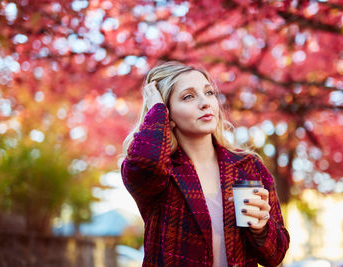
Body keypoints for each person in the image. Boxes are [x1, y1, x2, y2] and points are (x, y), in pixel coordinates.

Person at [121, 61, 289, 267]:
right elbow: (145, 163)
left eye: (209, 93)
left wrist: (261, 227)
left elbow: (276, 256)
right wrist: (155, 109)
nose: (205, 103)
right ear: (167, 113)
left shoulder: (248, 167)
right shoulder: (161, 172)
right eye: (188, 96)